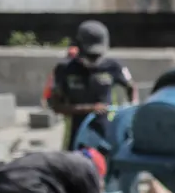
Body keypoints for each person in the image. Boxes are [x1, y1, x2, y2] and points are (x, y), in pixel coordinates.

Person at [47, 20, 137, 150]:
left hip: (106, 134)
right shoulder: (64, 70)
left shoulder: (114, 67)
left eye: (97, 56)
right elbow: (56, 106)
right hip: (76, 135)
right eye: (89, 56)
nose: (93, 60)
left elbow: (131, 87)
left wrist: (130, 110)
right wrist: (89, 109)